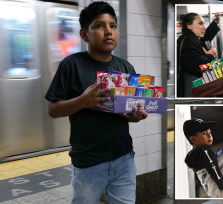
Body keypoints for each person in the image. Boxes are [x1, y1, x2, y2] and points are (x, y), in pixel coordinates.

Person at [45, 2, 148, 204]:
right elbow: (53, 110)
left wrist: (135, 116)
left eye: (113, 26)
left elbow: (131, 113)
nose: (108, 31)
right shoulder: (71, 65)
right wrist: (83, 101)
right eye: (99, 26)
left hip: (123, 157)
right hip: (88, 161)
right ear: (84, 34)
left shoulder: (125, 67)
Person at [183, 118, 223, 198]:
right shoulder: (205, 151)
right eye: (204, 133)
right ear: (193, 139)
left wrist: (214, 157)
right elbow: (213, 169)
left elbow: (207, 167)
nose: (209, 135)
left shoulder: (194, 155)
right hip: (222, 189)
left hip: (211, 192)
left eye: (209, 132)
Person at [177, 12, 220, 97]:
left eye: (204, 24)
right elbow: (194, 64)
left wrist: (215, 22)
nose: (204, 27)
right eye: (200, 24)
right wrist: (210, 56)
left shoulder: (188, 38)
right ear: (189, 25)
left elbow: (206, 36)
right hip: (190, 88)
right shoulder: (190, 39)